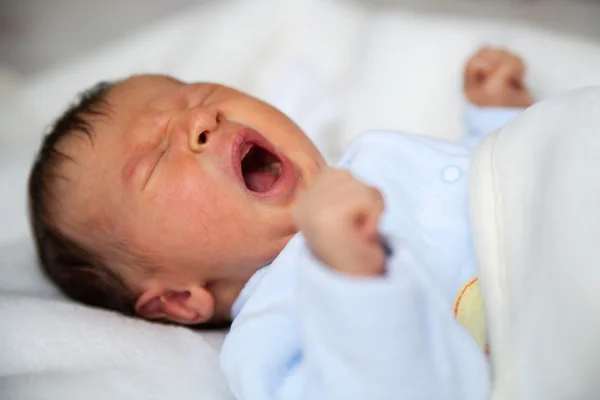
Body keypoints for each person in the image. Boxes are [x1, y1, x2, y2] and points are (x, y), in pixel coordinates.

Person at [28, 47, 532, 398]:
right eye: (156, 160)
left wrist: (502, 124)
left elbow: (498, 189)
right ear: (180, 300)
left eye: (200, 95)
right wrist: (353, 282)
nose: (201, 122)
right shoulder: (272, 333)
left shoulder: (376, 154)